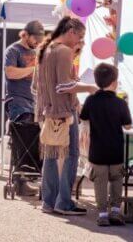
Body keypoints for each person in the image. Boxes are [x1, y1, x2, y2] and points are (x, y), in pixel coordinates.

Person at [35, 16, 97, 216]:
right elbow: (63, 86)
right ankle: (63, 202)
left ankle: (49, 201)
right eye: (79, 36)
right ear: (70, 31)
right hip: (63, 112)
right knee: (70, 155)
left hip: (50, 111)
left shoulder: (47, 49)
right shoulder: (64, 51)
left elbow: (39, 86)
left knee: (51, 157)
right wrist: (88, 87)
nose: (79, 41)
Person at [79, 63, 132, 227]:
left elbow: (83, 117)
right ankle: (115, 211)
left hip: (97, 151)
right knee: (117, 180)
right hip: (116, 150)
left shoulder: (91, 100)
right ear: (115, 82)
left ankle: (102, 214)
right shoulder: (120, 103)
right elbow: (128, 126)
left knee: (100, 183)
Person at [2, 21, 43, 195]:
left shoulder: (37, 52)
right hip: (17, 102)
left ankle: (28, 176)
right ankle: (20, 180)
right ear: (25, 34)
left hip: (35, 103)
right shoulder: (13, 50)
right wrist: (33, 69)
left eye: (40, 38)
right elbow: (10, 72)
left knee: (36, 138)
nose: (37, 41)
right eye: (35, 38)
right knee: (23, 136)